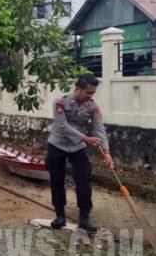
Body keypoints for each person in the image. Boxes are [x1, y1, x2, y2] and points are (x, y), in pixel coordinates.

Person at [46, 75, 114, 233]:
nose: (90, 96)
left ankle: (84, 218)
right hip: (57, 144)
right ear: (77, 88)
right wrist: (85, 138)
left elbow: (99, 129)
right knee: (57, 180)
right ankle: (60, 216)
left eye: (93, 93)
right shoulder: (60, 101)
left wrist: (107, 152)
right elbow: (62, 126)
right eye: (88, 92)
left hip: (77, 147)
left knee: (83, 180)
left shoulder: (93, 107)